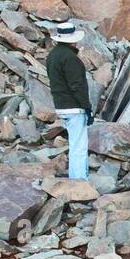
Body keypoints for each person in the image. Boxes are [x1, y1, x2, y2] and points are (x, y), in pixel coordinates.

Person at [45, 23, 91, 180]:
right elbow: (77, 86)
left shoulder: (52, 56)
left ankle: (77, 178)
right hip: (74, 106)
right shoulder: (70, 58)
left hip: (61, 105)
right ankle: (79, 181)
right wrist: (87, 108)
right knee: (79, 145)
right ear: (73, 40)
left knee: (74, 143)